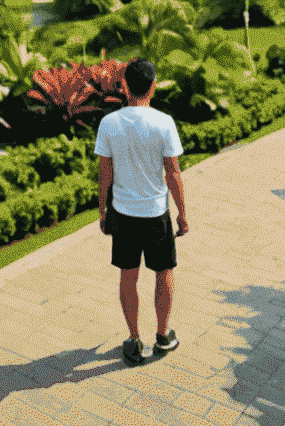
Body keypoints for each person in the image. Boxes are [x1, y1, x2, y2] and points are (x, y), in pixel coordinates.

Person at [96, 57, 187, 367]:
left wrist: (102, 211)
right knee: (164, 272)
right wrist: (183, 214)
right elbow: (173, 173)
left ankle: (134, 340)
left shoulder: (109, 123)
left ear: (124, 86)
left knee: (128, 276)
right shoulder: (164, 122)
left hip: (122, 213)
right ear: (153, 85)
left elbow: (104, 173)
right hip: (156, 213)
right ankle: (163, 336)